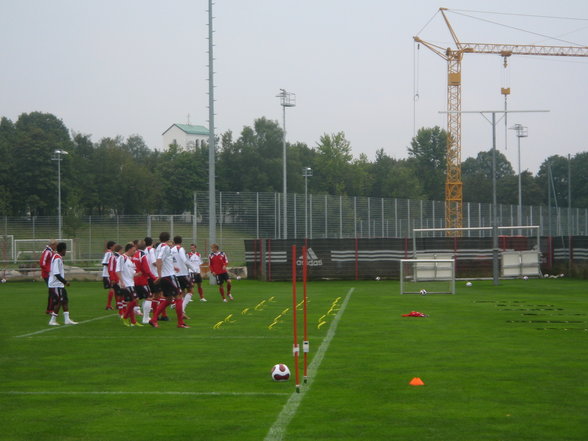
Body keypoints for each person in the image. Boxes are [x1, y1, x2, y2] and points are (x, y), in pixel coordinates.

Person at [149, 232, 188, 328]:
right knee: (179, 297)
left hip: (166, 276)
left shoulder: (158, 247)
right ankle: (180, 323)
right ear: (169, 239)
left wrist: (173, 268)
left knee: (169, 299)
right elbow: (159, 260)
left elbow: (164, 260)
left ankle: (154, 319)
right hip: (169, 276)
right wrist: (159, 275)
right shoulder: (165, 247)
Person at [48, 242, 77, 326]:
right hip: (55, 284)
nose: (66, 252)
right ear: (63, 250)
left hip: (59, 284)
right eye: (65, 250)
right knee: (60, 301)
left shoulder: (58, 257)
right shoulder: (57, 258)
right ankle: (52, 320)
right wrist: (65, 282)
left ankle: (67, 319)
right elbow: (56, 273)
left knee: (65, 300)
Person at [171, 236, 197, 319]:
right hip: (183, 273)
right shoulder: (180, 249)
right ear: (181, 241)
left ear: (174, 242)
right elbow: (185, 260)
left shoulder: (171, 250)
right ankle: (182, 311)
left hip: (175, 274)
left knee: (181, 293)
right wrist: (194, 269)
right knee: (191, 291)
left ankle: (178, 307)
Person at [133, 240, 158, 325]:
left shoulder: (135, 254)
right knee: (149, 297)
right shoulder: (143, 255)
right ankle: (145, 318)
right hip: (142, 279)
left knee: (136, 298)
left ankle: (130, 315)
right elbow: (146, 269)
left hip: (135, 279)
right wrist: (154, 277)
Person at [116, 242, 141, 327]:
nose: (134, 252)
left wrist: (139, 273)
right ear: (129, 249)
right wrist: (122, 282)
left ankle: (133, 321)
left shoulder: (129, 260)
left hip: (131, 283)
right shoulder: (122, 258)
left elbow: (133, 273)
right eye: (133, 250)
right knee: (134, 300)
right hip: (126, 284)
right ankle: (125, 317)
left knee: (132, 301)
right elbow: (117, 270)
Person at [39, 239, 57, 314]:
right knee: (53, 292)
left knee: (52, 292)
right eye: (55, 245)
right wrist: (49, 271)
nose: (56, 246)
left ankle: (49, 309)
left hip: (49, 275)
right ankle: (50, 310)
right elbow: (42, 263)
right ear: (52, 245)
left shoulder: (50, 251)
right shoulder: (47, 252)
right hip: (47, 275)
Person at [108, 244, 124, 318]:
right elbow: (111, 268)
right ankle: (121, 312)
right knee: (120, 295)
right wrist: (112, 278)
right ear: (120, 250)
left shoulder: (121, 257)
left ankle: (122, 310)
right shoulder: (113, 257)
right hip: (116, 279)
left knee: (122, 295)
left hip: (121, 278)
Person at [101, 240, 116, 310]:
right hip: (107, 274)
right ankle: (108, 305)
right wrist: (112, 266)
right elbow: (104, 262)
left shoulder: (111, 253)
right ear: (111, 246)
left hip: (110, 274)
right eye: (114, 246)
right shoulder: (109, 253)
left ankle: (117, 304)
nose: (115, 247)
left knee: (115, 289)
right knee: (112, 288)